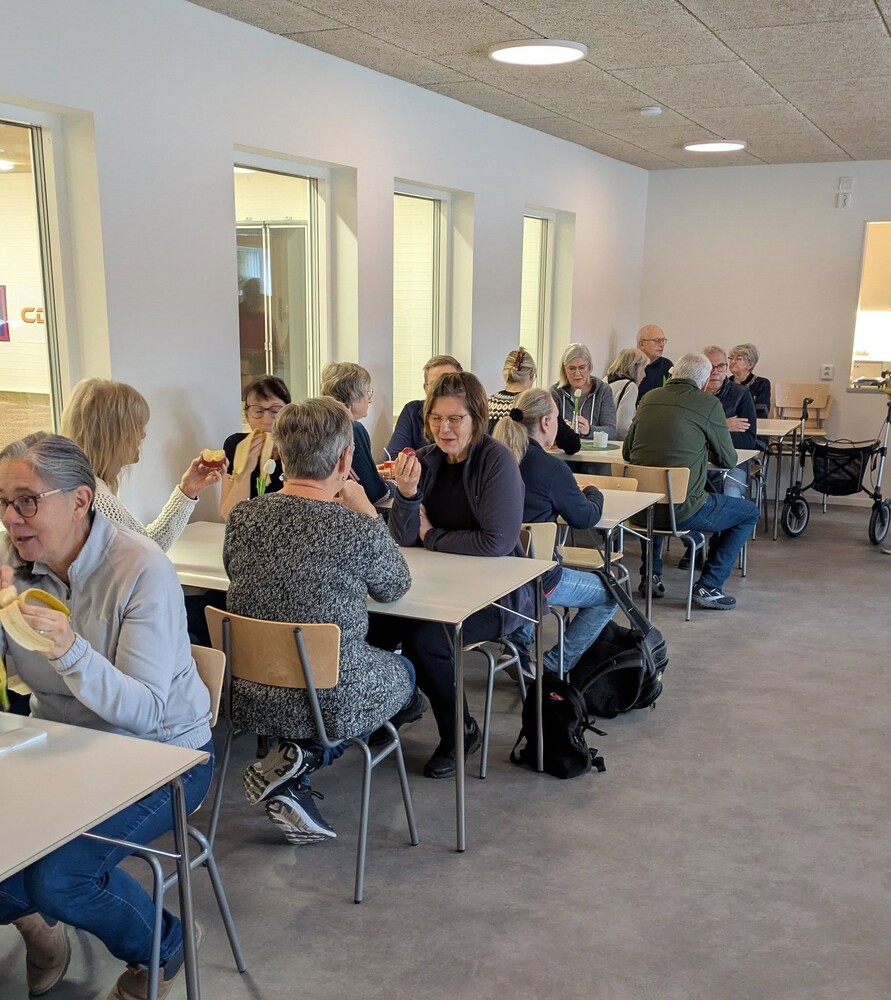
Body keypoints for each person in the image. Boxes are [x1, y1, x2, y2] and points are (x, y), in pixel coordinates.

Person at [0, 433, 213, 1000]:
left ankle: (165, 947)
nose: (11, 518)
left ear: (79, 501)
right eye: (3, 502)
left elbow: (146, 711)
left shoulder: (141, 568)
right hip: (63, 745)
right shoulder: (9, 562)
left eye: (27, 501)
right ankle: (42, 932)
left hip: (165, 756)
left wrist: (70, 650)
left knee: (59, 879)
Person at [223, 398, 418, 843]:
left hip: (250, 693)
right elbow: (394, 586)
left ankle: (294, 766)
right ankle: (308, 755)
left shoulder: (243, 518)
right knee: (405, 672)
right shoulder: (355, 528)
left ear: (279, 454)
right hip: (329, 697)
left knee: (338, 672)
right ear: (346, 459)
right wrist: (367, 511)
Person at [388, 371, 532, 778]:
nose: (444, 429)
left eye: (455, 419)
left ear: (476, 418)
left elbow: (496, 542)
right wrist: (406, 495)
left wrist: (431, 535)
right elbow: (402, 538)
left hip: (496, 596)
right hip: (435, 588)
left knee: (426, 640)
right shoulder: (427, 460)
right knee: (372, 625)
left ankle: (460, 731)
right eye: (436, 418)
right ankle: (393, 707)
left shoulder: (496, 461)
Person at [492, 388, 619, 673]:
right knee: (612, 593)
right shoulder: (551, 469)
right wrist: (593, 492)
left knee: (526, 564)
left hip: (494, 575)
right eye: (558, 418)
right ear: (546, 422)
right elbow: (585, 518)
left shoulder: (491, 459)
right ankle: (553, 665)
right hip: (539, 579)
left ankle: (517, 648)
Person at [623, 353, 760, 610]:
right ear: (705, 381)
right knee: (749, 513)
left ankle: (650, 576)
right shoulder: (708, 404)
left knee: (658, 496)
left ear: (674, 373)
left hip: (639, 510)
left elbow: (627, 453)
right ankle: (709, 585)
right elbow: (728, 459)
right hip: (683, 511)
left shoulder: (649, 398)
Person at [61, 378, 224, 551]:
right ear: (113, 433)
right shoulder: (101, 503)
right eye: (137, 426)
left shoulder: (85, 487)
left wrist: (187, 491)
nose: (143, 435)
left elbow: (145, 545)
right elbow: (146, 551)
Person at [220, 375, 290, 519]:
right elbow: (228, 515)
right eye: (258, 411)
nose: (266, 420)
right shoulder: (235, 445)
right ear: (247, 415)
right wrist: (245, 470)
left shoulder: (301, 447)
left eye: (275, 411)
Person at [487, 346, 581, 454]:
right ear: (531, 373)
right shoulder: (537, 403)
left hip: (494, 463)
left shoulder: (489, 403)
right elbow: (572, 445)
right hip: (530, 462)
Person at [321, 362, 390, 505]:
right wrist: (396, 486)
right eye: (367, 392)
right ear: (352, 397)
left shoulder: (320, 425)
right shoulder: (352, 429)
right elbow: (374, 493)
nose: (370, 399)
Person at [703, 345, 758, 500]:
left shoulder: (741, 394)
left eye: (720, 366)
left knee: (730, 495)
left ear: (726, 368)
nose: (715, 372)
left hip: (733, 462)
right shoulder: (693, 394)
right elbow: (686, 435)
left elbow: (747, 441)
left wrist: (706, 431)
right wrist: (723, 426)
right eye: (710, 367)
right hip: (698, 463)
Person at [385, 354, 463, 457]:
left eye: (449, 383)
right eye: (435, 384)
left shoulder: (470, 415)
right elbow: (394, 457)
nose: (442, 389)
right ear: (425, 388)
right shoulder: (412, 411)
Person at [550, 343, 617, 441]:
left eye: (582, 368)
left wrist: (589, 430)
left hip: (594, 449)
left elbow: (611, 431)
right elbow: (547, 428)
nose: (577, 373)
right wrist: (562, 428)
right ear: (564, 370)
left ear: (589, 367)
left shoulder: (603, 390)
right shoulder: (555, 392)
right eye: (572, 368)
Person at [605, 347, 649, 439]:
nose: (644, 375)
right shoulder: (630, 387)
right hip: (617, 444)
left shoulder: (604, 381)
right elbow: (623, 429)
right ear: (634, 368)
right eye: (643, 369)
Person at [729, 342, 772, 418]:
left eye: (739, 358)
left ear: (750, 365)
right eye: (731, 358)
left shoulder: (761, 384)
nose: (733, 362)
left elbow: (762, 413)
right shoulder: (725, 383)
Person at [636, 325, 674, 402]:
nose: (662, 344)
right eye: (657, 340)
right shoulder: (632, 364)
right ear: (642, 344)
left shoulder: (667, 365)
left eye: (663, 340)